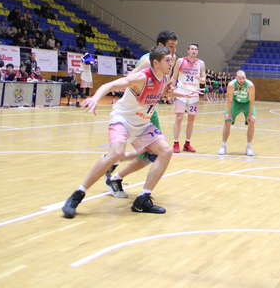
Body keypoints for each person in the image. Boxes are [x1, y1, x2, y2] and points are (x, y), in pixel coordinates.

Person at [61, 46, 175, 218]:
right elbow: (111, 84)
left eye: (171, 60)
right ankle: (78, 194)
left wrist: (186, 95)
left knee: (166, 151)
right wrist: (95, 98)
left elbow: (166, 92)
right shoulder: (141, 78)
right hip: (123, 119)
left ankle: (143, 199)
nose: (171, 63)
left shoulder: (165, 78)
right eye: (167, 60)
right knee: (116, 153)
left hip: (142, 124)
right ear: (156, 63)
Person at [101, 30, 178, 198]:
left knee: (152, 153)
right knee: (154, 153)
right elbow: (131, 80)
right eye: (171, 46)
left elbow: (163, 85)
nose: (173, 50)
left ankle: (115, 164)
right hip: (137, 110)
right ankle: (115, 167)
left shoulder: (169, 61)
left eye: (175, 47)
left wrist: (168, 90)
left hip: (149, 109)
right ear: (161, 45)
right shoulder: (147, 60)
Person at [172, 43, 206, 153]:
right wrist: (172, 89)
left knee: (191, 119)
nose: (194, 51)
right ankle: (176, 143)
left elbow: (204, 78)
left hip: (194, 94)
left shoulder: (201, 63)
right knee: (179, 117)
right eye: (192, 49)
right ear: (188, 50)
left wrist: (201, 79)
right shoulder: (180, 61)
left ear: (197, 51)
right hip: (181, 92)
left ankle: (187, 143)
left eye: (195, 49)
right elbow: (174, 77)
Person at [218, 70, 256, 156]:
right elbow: (229, 100)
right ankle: (223, 145)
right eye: (240, 78)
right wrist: (229, 113)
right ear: (236, 78)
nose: (242, 80)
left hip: (247, 103)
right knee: (227, 120)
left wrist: (250, 114)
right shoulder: (231, 85)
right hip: (235, 102)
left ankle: (249, 147)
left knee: (252, 121)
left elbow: (252, 100)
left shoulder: (250, 85)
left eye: (243, 78)